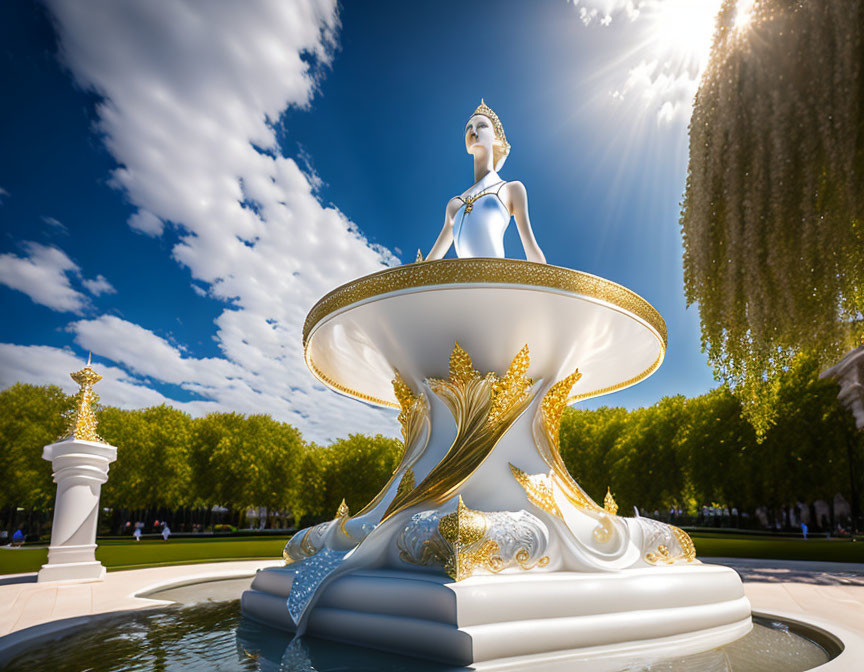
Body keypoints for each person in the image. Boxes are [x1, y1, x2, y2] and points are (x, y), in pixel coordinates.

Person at [424, 100, 546, 264]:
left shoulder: (511, 190)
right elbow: (429, 263)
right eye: (468, 128)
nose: (473, 131)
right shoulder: (454, 205)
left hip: (495, 283)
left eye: (481, 126)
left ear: (495, 137)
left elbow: (531, 249)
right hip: (464, 284)